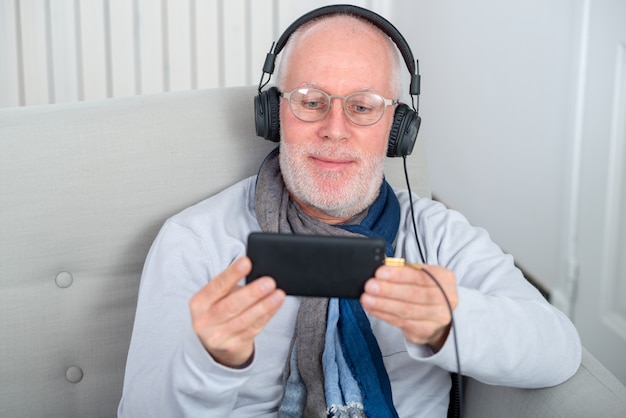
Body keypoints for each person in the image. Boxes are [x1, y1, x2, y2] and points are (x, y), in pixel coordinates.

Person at [118, 5, 581, 417]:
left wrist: (450, 322)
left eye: (362, 106)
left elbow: (559, 349)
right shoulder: (195, 242)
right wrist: (211, 362)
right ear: (274, 113)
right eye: (311, 102)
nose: (334, 130)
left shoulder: (437, 236)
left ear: (399, 129)